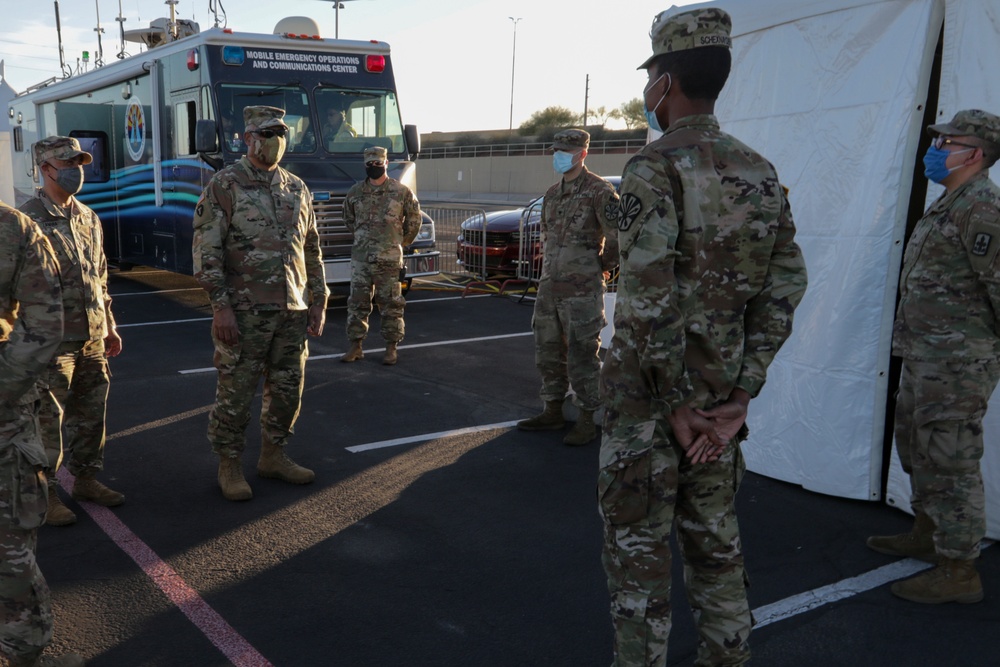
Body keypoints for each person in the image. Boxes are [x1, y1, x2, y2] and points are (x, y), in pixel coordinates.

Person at [598, 8, 807, 666]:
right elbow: (785, 287)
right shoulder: (762, 172)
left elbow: (647, 297)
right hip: (720, 411)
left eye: (652, 76)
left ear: (665, 80)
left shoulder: (652, 168)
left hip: (655, 414)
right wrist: (742, 392)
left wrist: (674, 405)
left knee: (639, 567)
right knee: (716, 553)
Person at [867, 109, 1000, 604]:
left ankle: (960, 569)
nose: (937, 148)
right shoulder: (951, 202)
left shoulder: (982, 208)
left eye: (947, 142)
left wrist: (984, 359)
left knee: (952, 460)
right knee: (918, 448)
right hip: (927, 356)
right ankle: (929, 531)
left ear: (976, 153)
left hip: (959, 364)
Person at [192, 105, 329, 502]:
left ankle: (274, 455)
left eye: (282, 133)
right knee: (235, 390)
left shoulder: (296, 188)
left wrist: (318, 299)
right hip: (244, 311)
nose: (276, 141)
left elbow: (312, 248)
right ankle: (229, 464)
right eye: (268, 133)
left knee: (288, 388)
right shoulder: (225, 184)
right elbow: (206, 251)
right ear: (249, 138)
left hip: (292, 309)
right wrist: (220, 306)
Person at [19, 137, 124, 527]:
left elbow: (99, 276)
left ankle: (87, 480)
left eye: (78, 162)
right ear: (45, 168)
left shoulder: (88, 217)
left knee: (91, 414)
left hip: (92, 336)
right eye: (66, 162)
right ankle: (45, 494)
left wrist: (109, 326)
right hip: (49, 342)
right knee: (47, 421)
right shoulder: (25, 219)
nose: (75, 169)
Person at [1, 201, 85, 667]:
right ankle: (26, 657)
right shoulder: (13, 224)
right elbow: (46, 317)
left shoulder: (12, 227)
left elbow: (44, 314)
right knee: (8, 547)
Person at [517, 128, 620, 446]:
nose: (558, 155)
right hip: (550, 289)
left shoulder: (600, 191)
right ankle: (552, 410)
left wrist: (599, 267)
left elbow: (618, 237)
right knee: (548, 352)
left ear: (582, 154)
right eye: (556, 150)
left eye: (565, 150)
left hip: (582, 292)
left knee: (582, 356)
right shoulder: (551, 194)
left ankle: (588, 418)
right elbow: (547, 237)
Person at [341, 146, 421, 366]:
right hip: (361, 258)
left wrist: (400, 242)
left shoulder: (400, 191)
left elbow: (414, 220)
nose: (374, 167)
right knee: (357, 303)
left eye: (378, 163)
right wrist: (363, 238)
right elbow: (349, 219)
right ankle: (356, 346)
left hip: (389, 259)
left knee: (391, 304)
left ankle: (391, 348)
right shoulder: (355, 192)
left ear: (386, 164)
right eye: (369, 164)